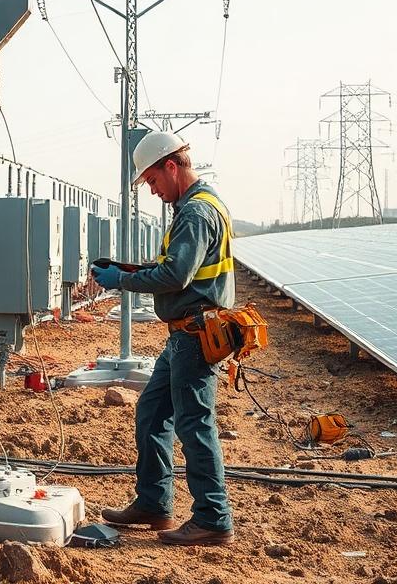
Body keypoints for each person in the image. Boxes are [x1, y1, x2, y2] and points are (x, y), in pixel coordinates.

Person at [91, 131, 236, 546]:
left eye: (153, 180)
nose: (153, 190)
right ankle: (154, 503)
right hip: (184, 335)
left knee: (194, 423)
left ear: (171, 167)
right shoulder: (196, 206)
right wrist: (128, 270)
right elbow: (173, 268)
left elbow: (176, 275)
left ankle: (213, 517)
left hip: (195, 334)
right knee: (153, 414)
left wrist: (121, 280)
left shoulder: (195, 213)